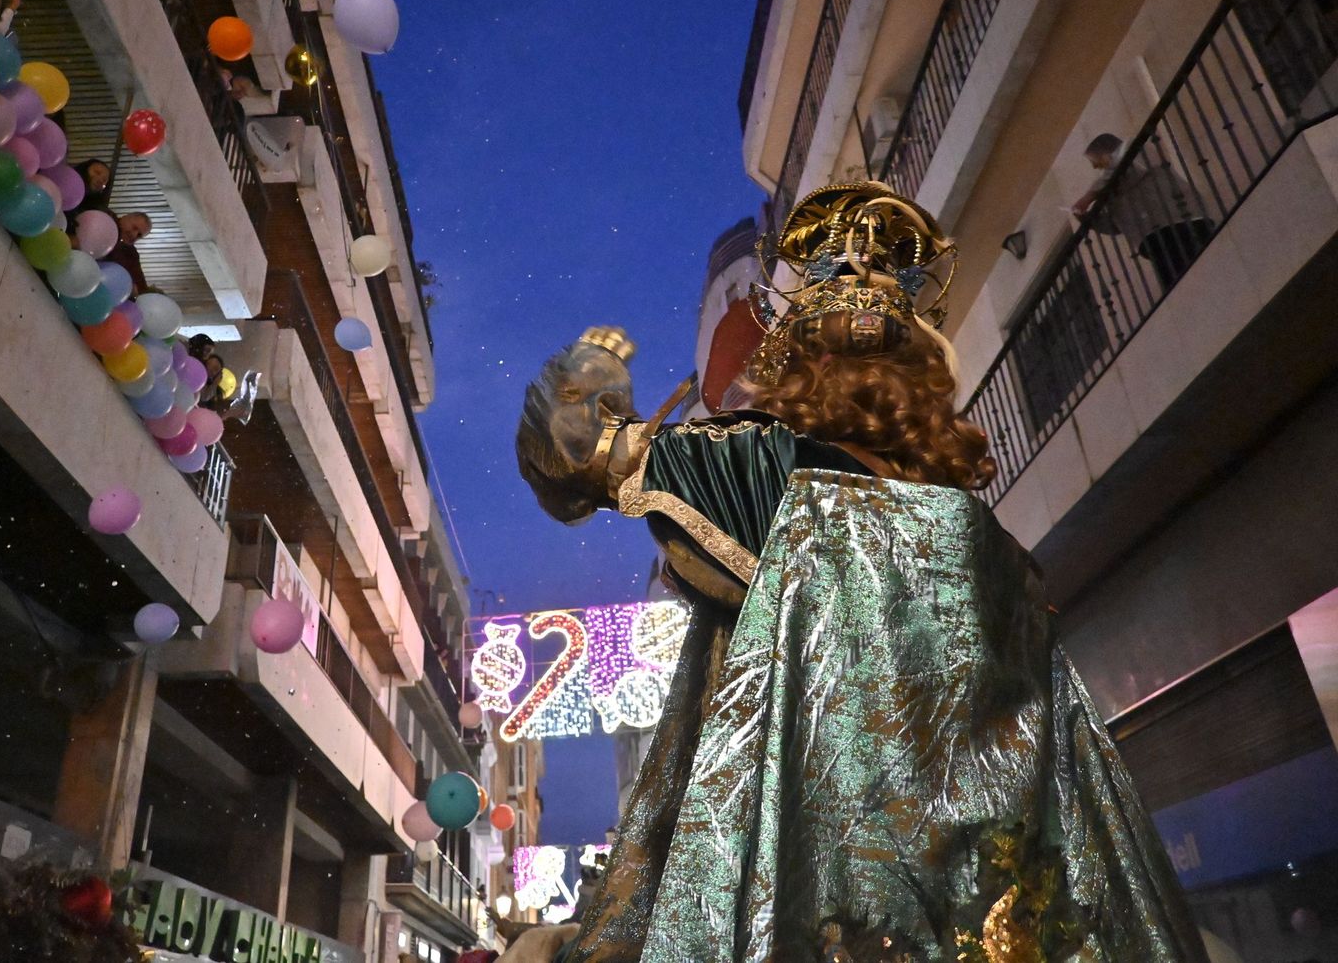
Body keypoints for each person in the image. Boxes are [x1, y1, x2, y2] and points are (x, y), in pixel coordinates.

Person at [516, 183, 1207, 961]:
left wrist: (592, 373)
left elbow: (570, 455)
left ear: (796, 365)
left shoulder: (764, 470)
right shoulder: (1001, 560)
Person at [1072, 132, 1214, 290]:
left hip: (1179, 222)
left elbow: (1128, 169)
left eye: (1095, 160)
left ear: (1107, 152)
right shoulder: (1111, 187)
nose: (1095, 167)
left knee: (1202, 271)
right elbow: (1117, 225)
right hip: (1153, 239)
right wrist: (1089, 220)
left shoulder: (1135, 149)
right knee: (1179, 287)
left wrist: (1090, 196)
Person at [104, 212, 151, 295]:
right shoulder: (105, 217)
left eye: (139, 235)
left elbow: (141, 286)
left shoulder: (131, 254)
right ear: (124, 217)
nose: (134, 235)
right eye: (134, 228)